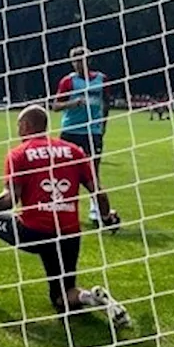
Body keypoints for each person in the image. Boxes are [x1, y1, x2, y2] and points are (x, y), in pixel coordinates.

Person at [0, 105, 129, 328]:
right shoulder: (74, 151)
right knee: (62, 297)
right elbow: (98, 190)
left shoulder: (18, 154)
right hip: (69, 235)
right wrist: (106, 218)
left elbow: (11, 200)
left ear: (26, 126)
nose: (17, 129)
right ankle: (91, 297)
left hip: (34, 233)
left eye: (19, 125)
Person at [53, 45, 112, 227]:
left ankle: (96, 211)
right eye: (75, 61)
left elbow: (106, 104)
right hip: (70, 131)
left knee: (93, 171)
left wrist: (103, 126)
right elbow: (55, 106)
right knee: (63, 171)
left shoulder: (101, 80)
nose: (78, 64)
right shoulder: (68, 82)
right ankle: (61, 207)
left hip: (92, 132)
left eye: (82, 60)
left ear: (89, 60)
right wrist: (74, 103)